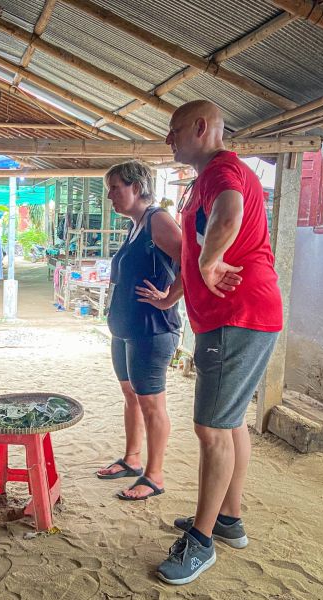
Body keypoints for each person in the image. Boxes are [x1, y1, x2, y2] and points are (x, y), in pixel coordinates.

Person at [153, 101, 282, 585]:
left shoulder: (221, 171)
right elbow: (197, 244)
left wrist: (210, 263)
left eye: (175, 130)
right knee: (229, 424)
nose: (169, 140)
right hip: (238, 315)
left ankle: (201, 543)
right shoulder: (206, 179)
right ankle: (228, 519)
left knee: (210, 430)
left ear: (202, 128)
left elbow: (229, 214)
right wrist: (179, 289)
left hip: (237, 314)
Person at [95, 161, 183, 500]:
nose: (110, 196)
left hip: (152, 329)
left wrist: (168, 299)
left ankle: (155, 475)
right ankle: (132, 459)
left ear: (136, 187)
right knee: (131, 396)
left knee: (151, 404)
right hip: (126, 329)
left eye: (115, 188)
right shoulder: (136, 225)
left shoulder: (157, 219)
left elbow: (193, 261)